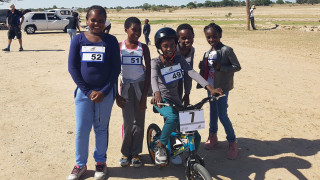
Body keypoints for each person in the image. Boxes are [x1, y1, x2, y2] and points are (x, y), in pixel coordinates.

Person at [151, 27, 223, 166]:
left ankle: (191, 158)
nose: (170, 49)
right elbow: (153, 78)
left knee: (195, 135)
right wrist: (157, 93)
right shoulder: (156, 62)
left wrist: (210, 88)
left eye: (172, 45)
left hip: (176, 100)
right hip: (161, 100)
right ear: (159, 47)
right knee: (172, 118)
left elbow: (192, 72)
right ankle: (160, 146)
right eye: (165, 46)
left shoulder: (179, 59)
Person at [67, 5, 121, 180]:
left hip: (105, 94)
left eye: (100, 20)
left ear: (105, 21)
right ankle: (80, 165)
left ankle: (100, 163)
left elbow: (115, 69)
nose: (96, 23)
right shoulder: (78, 39)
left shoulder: (111, 41)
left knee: (101, 129)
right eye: (93, 20)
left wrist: (104, 91)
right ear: (86, 21)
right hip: (84, 94)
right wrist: (87, 91)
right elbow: (73, 67)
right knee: (82, 129)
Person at [199, 23, 241, 159]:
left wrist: (221, 67)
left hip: (222, 88)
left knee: (222, 115)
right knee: (213, 112)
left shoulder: (227, 50)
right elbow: (207, 71)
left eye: (214, 36)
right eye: (208, 37)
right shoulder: (207, 52)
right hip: (211, 88)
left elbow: (237, 66)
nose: (211, 39)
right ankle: (213, 136)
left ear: (220, 35)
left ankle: (232, 143)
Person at [116, 17, 151, 168]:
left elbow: (149, 71)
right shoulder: (119, 47)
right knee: (128, 122)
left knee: (139, 122)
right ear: (126, 30)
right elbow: (114, 71)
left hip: (140, 87)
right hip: (126, 88)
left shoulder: (143, 47)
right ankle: (125, 152)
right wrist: (117, 95)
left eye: (139, 30)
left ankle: (136, 153)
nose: (137, 33)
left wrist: (144, 96)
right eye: (133, 30)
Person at [176, 23, 195, 106]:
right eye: (183, 38)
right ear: (178, 39)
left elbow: (189, 73)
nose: (187, 40)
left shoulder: (191, 50)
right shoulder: (173, 49)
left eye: (190, 37)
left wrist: (187, 93)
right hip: (169, 85)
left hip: (180, 81)